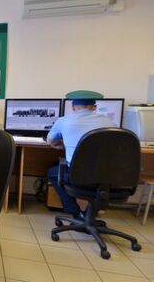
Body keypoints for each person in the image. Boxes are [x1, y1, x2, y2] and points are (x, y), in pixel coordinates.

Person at [46, 90, 116, 219]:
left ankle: (74, 211)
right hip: (106, 177)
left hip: (76, 176)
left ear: (73, 108)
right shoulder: (109, 123)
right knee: (97, 179)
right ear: (94, 107)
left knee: (52, 172)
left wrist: (63, 145)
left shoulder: (63, 121)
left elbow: (50, 141)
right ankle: (91, 214)